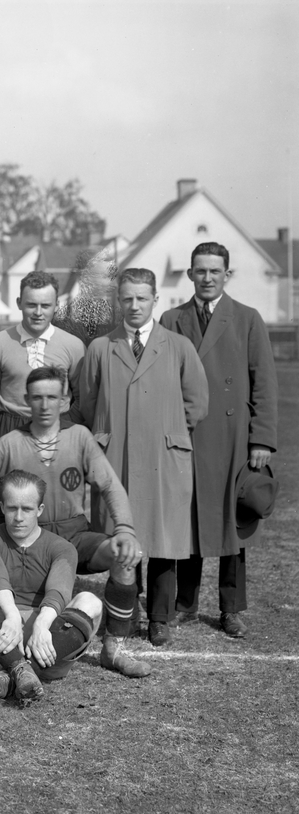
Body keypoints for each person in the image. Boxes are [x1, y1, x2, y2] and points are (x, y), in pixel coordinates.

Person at [0, 366, 149, 677]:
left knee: (124, 554)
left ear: (65, 400)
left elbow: (110, 486)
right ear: (27, 401)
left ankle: (115, 648)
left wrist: (125, 530)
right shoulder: (10, 442)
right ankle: (21, 640)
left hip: (74, 535)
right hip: (29, 538)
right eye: (37, 398)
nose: (44, 405)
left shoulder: (80, 437)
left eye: (52, 397)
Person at [77, 268, 209, 646]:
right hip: (115, 454)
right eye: (127, 298)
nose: (134, 305)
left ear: (155, 300)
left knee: (163, 538)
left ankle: (160, 617)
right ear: (118, 301)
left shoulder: (178, 346)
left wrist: (167, 429)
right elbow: (87, 402)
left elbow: (197, 402)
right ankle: (126, 609)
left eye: (142, 298)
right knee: (123, 535)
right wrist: (107, 435)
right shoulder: (100, 348)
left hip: (163, 456)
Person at [160, 242, 278, 639]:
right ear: (190, 274)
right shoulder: (171, 319)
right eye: (200, 271)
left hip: (233, 439)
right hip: (186, 436)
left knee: (233, 524)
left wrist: (261, 440)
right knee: (188, 521)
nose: (207, 278)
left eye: (215, 271)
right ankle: (185, 605)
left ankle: (231, 609)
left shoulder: (247, 318)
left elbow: (264, 384)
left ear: (227, 275)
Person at [0, 471, 103, 704]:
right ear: (1, 507)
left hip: (46, 645)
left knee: (91, 601)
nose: (18, 517)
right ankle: (19, 670)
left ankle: (10, 677)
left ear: (39, 509)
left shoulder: (62, 547)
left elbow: (59, 591)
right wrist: (11, 616)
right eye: (12, 508)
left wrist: (41, 625)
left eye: (27, 509)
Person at [0, 271, 85, 518]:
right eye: (31, 305)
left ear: (56, 306)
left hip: (57, 430)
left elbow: (82, 398)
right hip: (11, 427)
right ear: (19, 303)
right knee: (9, 504)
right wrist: (10, 423)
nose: (38, 312)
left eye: (45, 305)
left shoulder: (73, 345)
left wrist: (62, 424)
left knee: (55, 504)